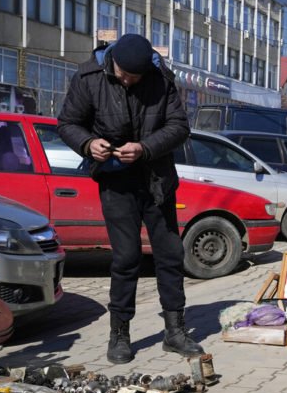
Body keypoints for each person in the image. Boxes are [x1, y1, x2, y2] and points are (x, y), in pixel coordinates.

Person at [56, 33, 204, 364]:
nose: (126, 80)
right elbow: (67, 123)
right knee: (126, 258)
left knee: (169, 254)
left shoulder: (161, 78)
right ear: (114, 62)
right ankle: (119, 334)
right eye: (123, 74)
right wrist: (87, 144)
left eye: (133, 78)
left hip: (157, 180)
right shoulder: (88, 77)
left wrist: (145, 147)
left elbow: (179, 127)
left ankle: (175, 331)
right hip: (115, 181)